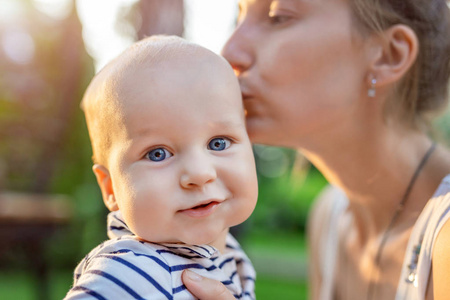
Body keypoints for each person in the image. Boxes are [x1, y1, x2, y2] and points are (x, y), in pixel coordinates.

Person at [181, 0, 450, 299]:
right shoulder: (331, 218)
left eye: (278, 17)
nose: (229, 53)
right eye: (241, 16)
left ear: (389, 55)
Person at [64, 35, 258, 300]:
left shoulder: (231, 257)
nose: (200, 174)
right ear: (110, 187)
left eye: (218, 143)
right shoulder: (128, 272)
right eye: (158, 154)